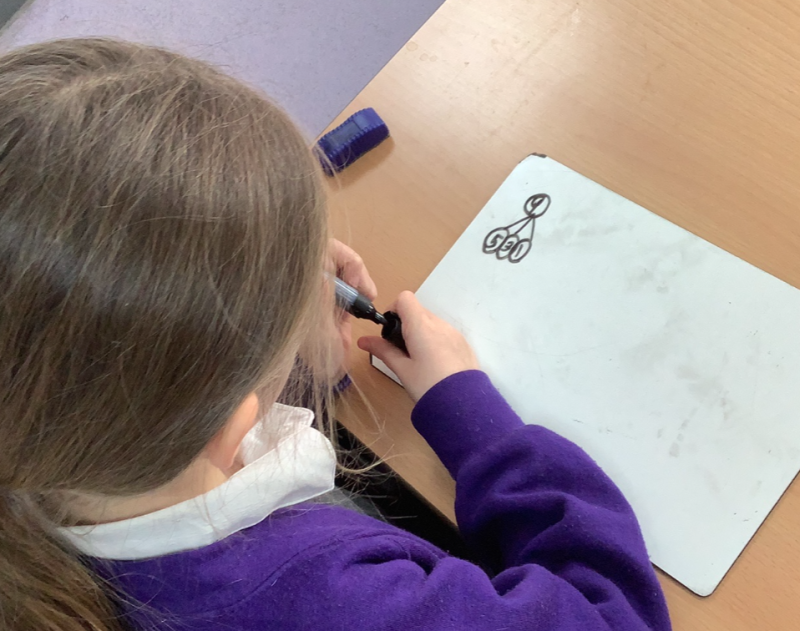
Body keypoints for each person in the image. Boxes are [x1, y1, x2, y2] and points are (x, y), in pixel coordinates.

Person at [0, 38, 672, 631]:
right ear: (233, 422)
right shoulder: (334, 601)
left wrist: (268, 319)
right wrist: (472, 414)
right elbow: (616, 616)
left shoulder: (39, 458)